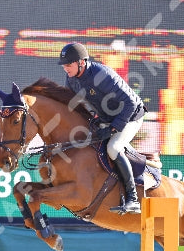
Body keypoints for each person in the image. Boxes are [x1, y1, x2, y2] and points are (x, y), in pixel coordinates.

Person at [58, 42, 146, 214]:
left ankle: (133, 198)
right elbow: (73, 106)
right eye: (64, 66)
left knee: (113, 148)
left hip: (132, 115)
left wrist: (114, 128)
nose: (65, 69)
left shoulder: (102, 74)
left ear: (81, 62)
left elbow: (130, 103)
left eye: (69, 65)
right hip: (108, 118)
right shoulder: (71, 79)